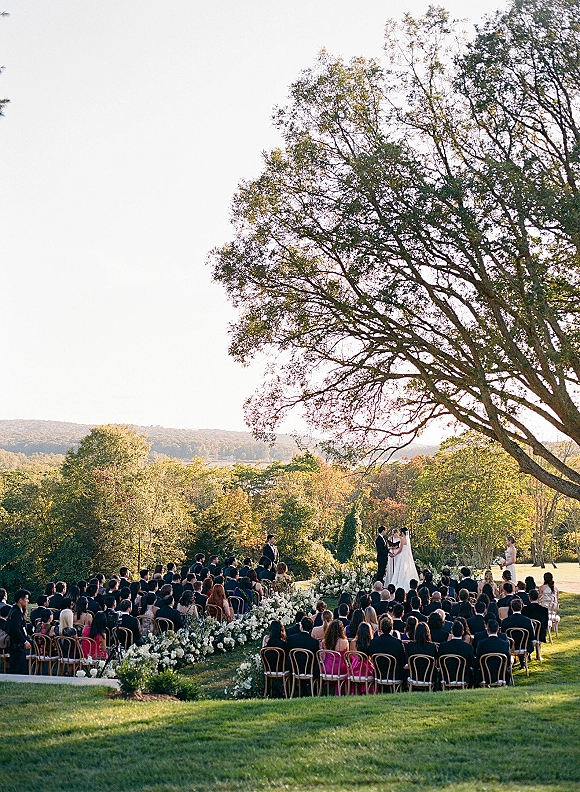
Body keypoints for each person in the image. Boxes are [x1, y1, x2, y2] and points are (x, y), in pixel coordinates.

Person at [369, 615, 407, 681]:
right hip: (394, 675)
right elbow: (403, 661)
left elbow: (370, 656)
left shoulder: (373, 642)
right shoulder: (397, 643)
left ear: (380, 628)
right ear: (391, 628)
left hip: (378, 674)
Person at [438, 620, 476, 685]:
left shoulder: (443, 646)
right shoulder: (467, 647)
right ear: (463, 632)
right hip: (463, 677)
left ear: (451, 632)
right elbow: (471, 662)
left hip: (446, 677)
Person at [476, 618, 512, 684]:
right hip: (501, 675)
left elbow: (478, 661)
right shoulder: (505, 644)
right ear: (498, 630)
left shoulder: (481, 644)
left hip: (485, 676)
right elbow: (508, 662)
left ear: (487, 630)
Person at [7, 590, 31, 674]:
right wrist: (24, 641)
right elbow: (15, 629)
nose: (28, 601)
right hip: (17, 645)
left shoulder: (16, 611)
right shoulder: (16, 613)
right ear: (20, 600)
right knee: (17, 669)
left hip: (19, 645)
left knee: (21, 668)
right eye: (26, 599)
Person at [348, 622, 374, 692]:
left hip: (355, 670)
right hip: (366, 670)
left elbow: (351, 656)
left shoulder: (353, 642)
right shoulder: (370, 643)